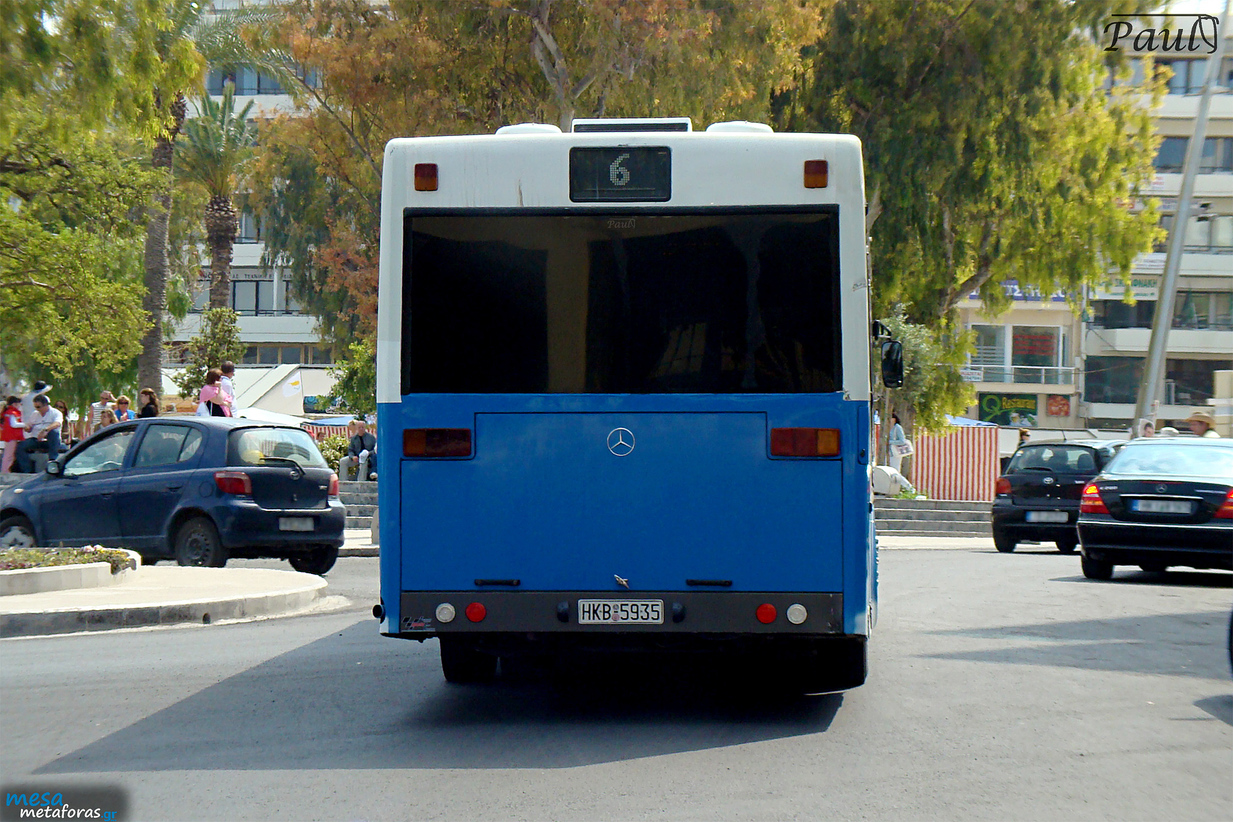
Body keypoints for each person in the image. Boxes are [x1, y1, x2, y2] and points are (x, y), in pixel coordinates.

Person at [14, 394, 63, 473]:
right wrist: (26, 427)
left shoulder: (56, 413)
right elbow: (29, 426)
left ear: (45, 405)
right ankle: (27, 470)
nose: (37, 409)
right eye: (35, 407)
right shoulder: (35, 414)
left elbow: (57, 423)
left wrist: (46, 430)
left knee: (54, 432)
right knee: (20, 446)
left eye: (38, 407)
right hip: (36, 439)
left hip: (50, 440)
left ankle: (52, 461)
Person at [1, 396, 22, 473]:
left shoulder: (7, 412)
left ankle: (6, 470)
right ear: (14, 404)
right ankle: (5, 471)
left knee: (9, 455)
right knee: (9, 455)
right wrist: (25, 425)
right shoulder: (12, 413)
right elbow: (14, 424)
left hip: (8, 436)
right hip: (11, 436)